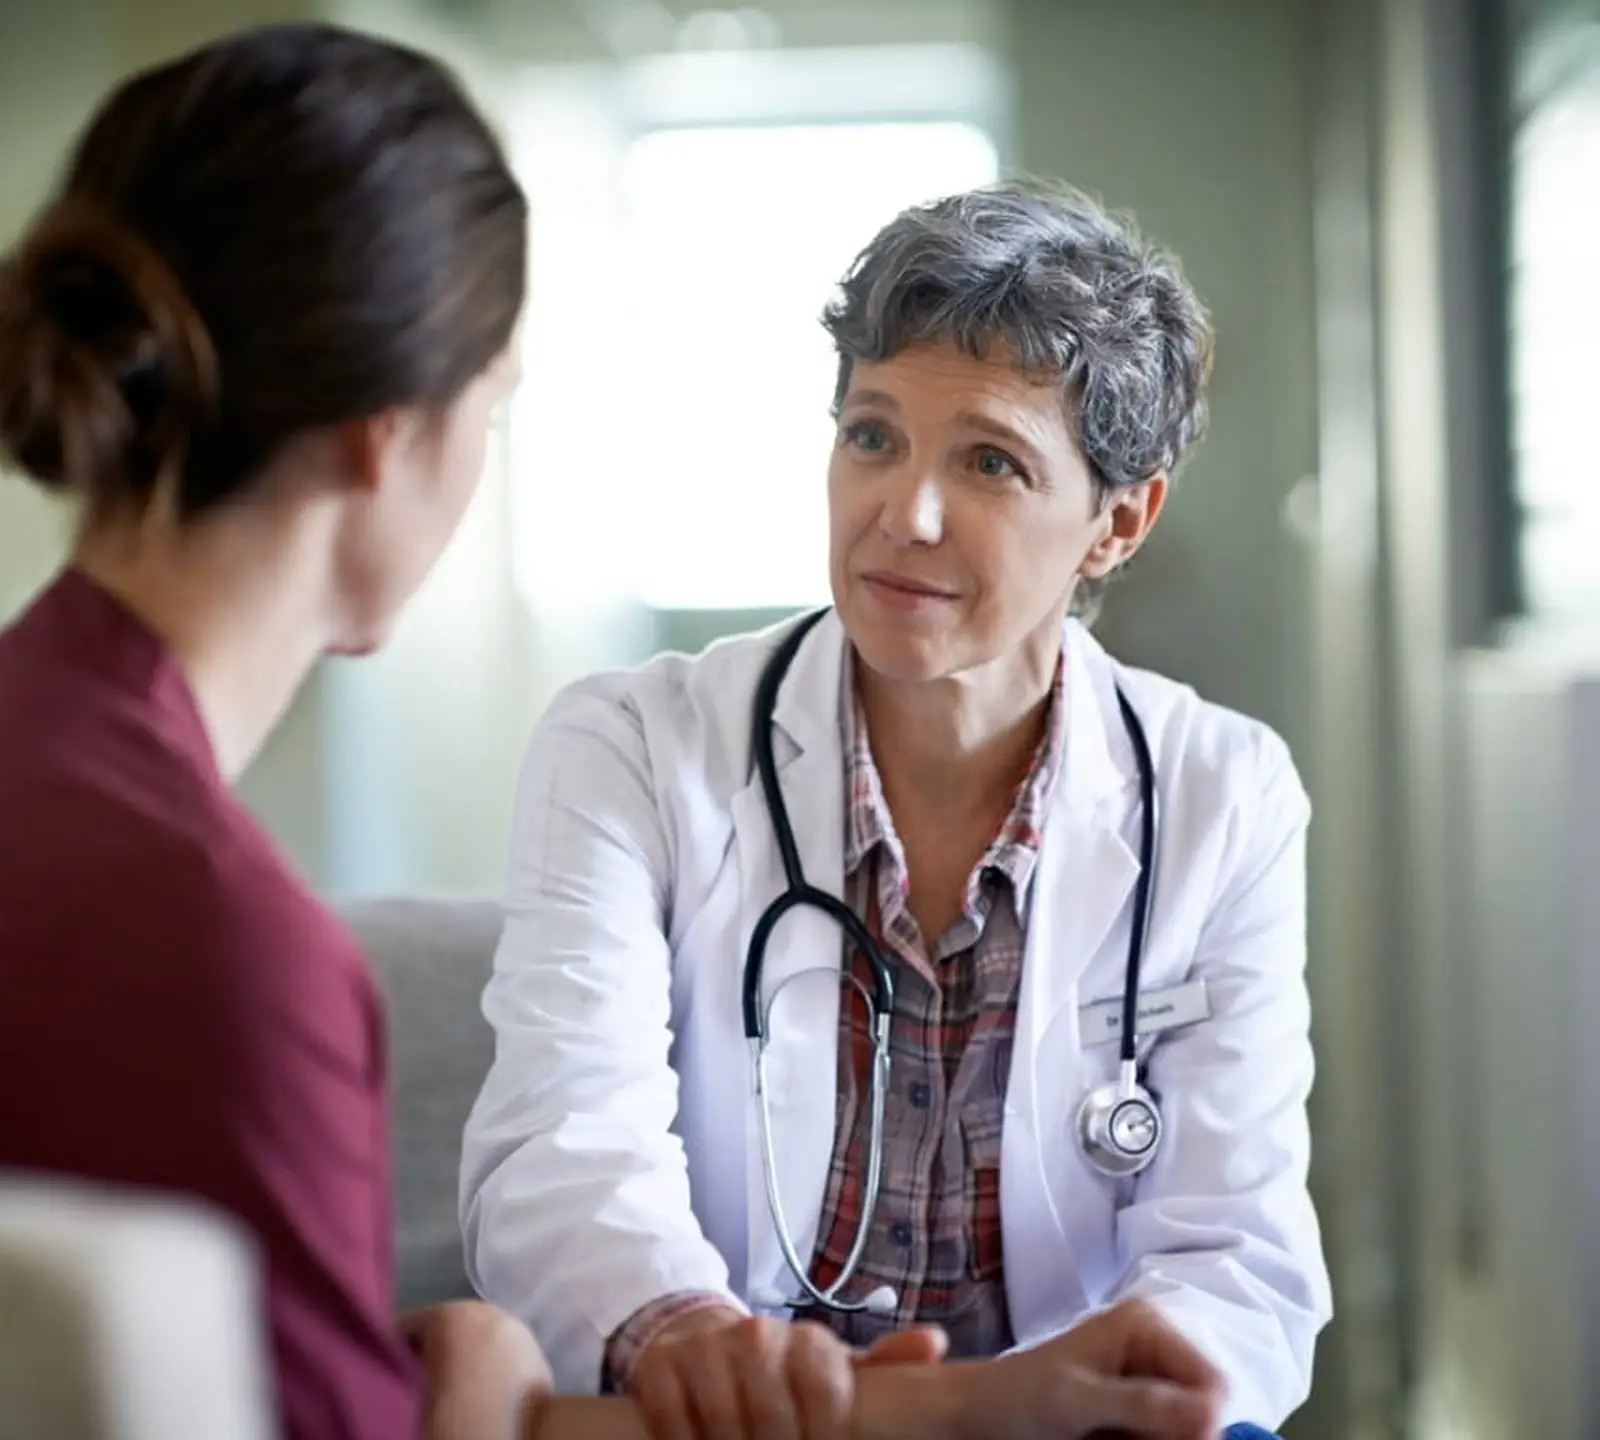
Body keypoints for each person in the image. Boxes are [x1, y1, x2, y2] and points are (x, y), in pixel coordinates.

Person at [0, 26, 1231, 1440]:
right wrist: (489, 1389)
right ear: (387, 439)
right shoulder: (211, 946)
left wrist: (472, 1370)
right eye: (495, 405)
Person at [459, 178, 1332, 1440]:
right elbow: (562, 1149)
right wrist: (684, 1334)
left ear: (1117, 522)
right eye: (872, 436)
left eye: (990, 462)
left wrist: (1141, 1396)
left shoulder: (1222, 795)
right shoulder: (633, 749)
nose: (904, 515)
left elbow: (1233, 1252)